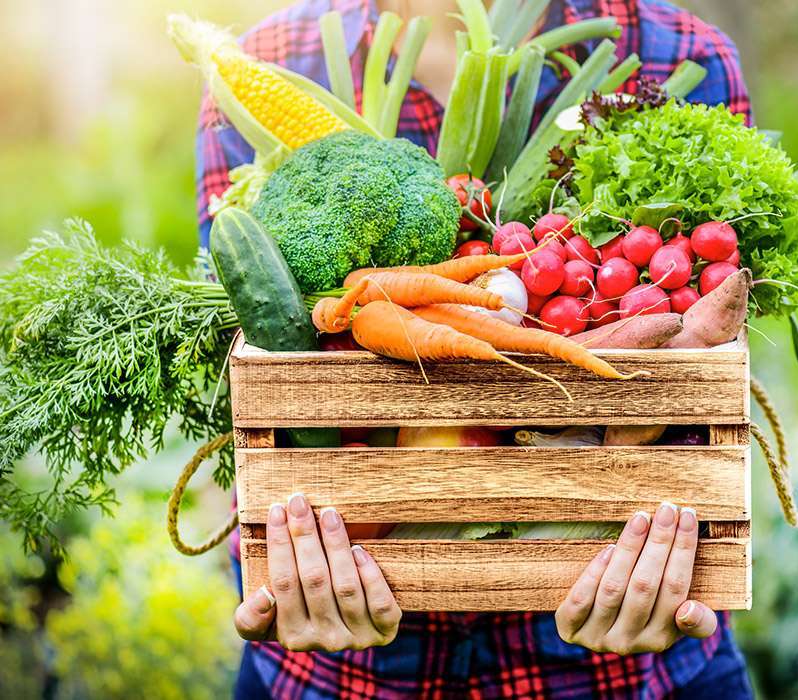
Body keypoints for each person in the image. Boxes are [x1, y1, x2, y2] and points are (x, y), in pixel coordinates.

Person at [196, 2, 754, 697]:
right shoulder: (269, 56)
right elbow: (254, 358)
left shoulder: (679, 53)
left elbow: (710, 372)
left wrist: (670, 550)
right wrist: (290, 561)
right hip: (339, 673)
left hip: (629, 669)